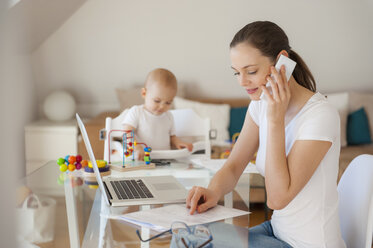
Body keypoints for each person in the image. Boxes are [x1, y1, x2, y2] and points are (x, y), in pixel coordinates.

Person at [186, 21, 346, 248]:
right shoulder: (260, 105)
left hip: (306, 244)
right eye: (237, 73)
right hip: (277, 231)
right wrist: (213, 190)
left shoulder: (320, 115)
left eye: (251, 71)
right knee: (191, 235)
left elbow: (277, 199)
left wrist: (275, 119)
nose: (243, 82)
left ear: (282, 61)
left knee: (193, 241)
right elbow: (233, 167)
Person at [122, 68, 193, 160]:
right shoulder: (136, 112)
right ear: (144, 93)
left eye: (168, 103)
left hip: (165, 160)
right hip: (142, 160)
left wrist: (178, 142)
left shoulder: (169, 116)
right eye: (157, 101)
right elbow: (127, 132)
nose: (162, 106)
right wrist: (137, 147)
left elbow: (172, 137)